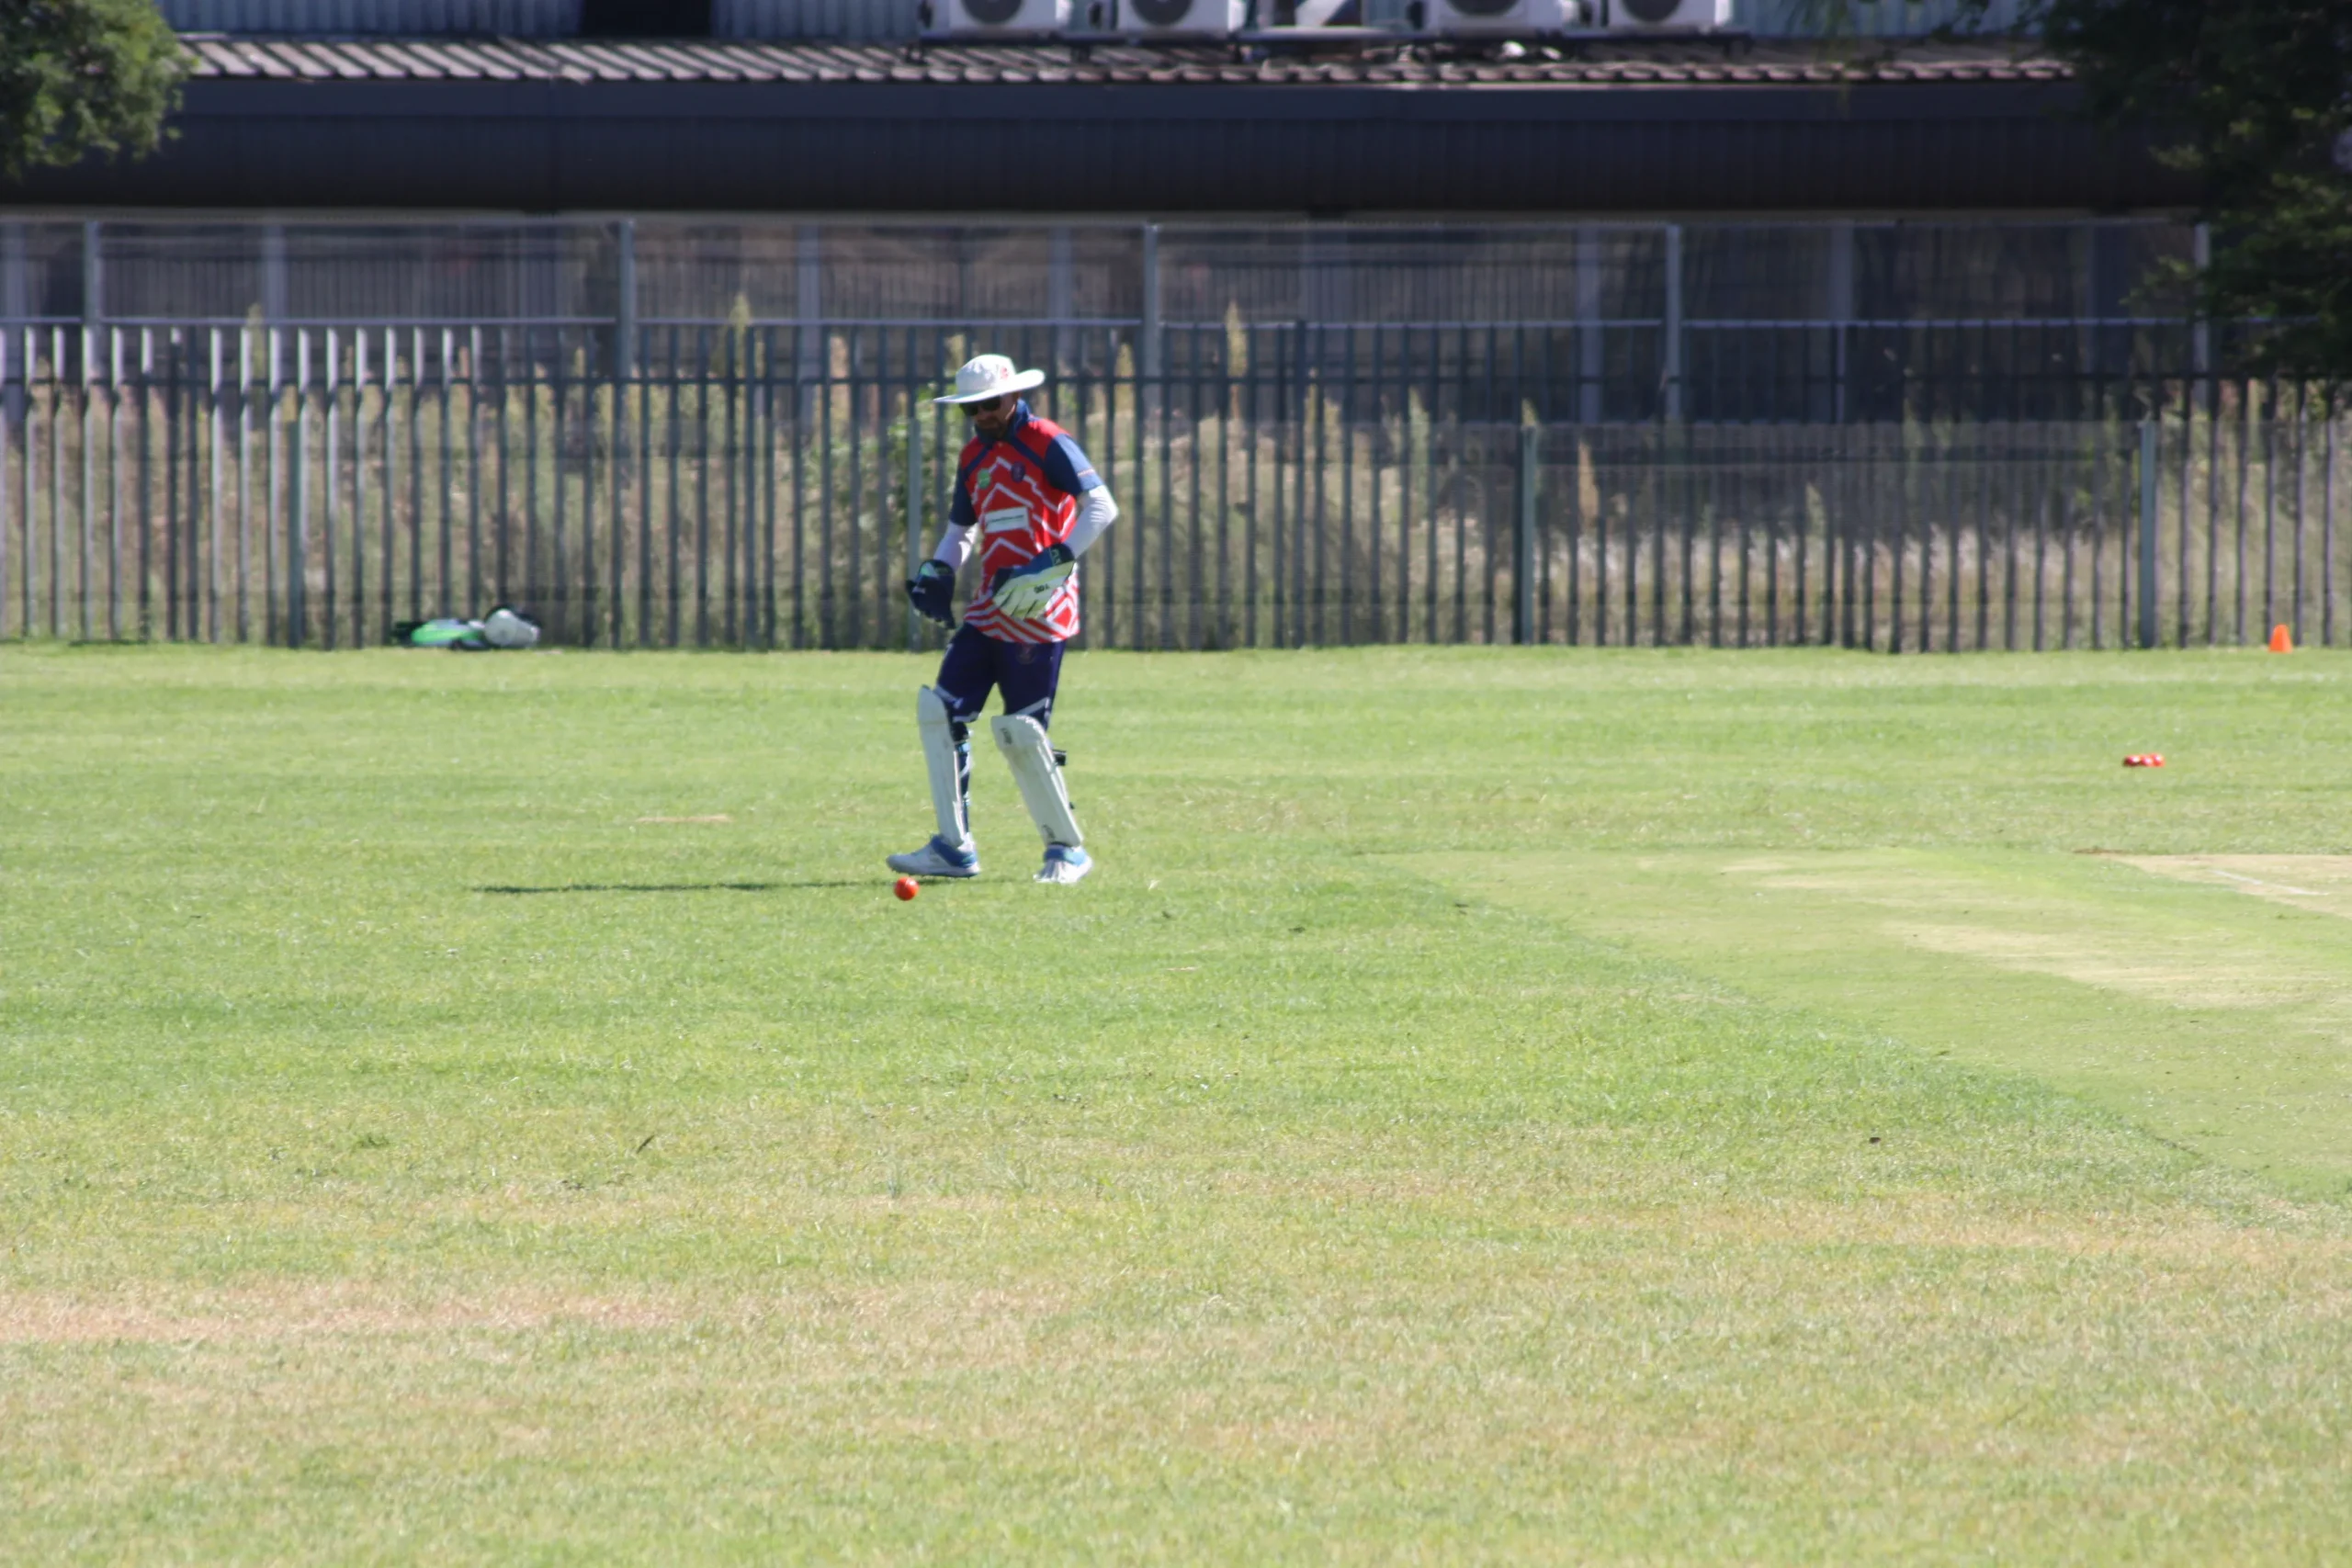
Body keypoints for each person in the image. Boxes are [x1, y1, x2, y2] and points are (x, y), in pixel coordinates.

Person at [888, 354, 1119, 886]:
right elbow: (960, 530)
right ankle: (954, 848)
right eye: (971, 408)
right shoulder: (973, 455)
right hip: (990, 607)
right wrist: (940, 570)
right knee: (940, 715)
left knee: (1024, 734)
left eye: (990, 403)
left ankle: (1066, 852)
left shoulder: (1047, 440)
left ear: (1013, 396)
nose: (983, 415)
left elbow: (1102, 507)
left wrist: (1055, 562)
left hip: (1040, 610)